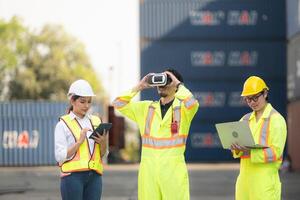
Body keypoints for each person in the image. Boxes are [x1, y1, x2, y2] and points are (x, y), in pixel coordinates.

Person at [113, 68, 199, 200]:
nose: (162, 84)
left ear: (176, 86)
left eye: (167, 80)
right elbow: (118, 103)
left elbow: (193, 103)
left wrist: (177, 84)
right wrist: (139, 86)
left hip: (173, 174)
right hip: (149, 174)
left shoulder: (183, 109)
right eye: (160, 80)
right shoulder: (146, 109)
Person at [231, 76, 287, 200]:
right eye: (248, 99)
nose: (252, 102)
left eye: (255, 97)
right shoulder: (244, 120)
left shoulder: (277, 120)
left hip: (264, 184)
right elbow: (238, 152)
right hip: (244, 183)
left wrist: (250, 152)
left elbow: (276, 153)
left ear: (265, 93)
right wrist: (235, 148)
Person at [54, 79, 108, 200]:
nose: (87, 106)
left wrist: (103, 143)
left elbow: (102, 154)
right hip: (72, 178)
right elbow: (59, 156)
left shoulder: (96, 121)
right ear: (72, 100)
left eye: (89, 102)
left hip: (94, 178)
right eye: (82, 102)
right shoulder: (63, 124)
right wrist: (79, 142)